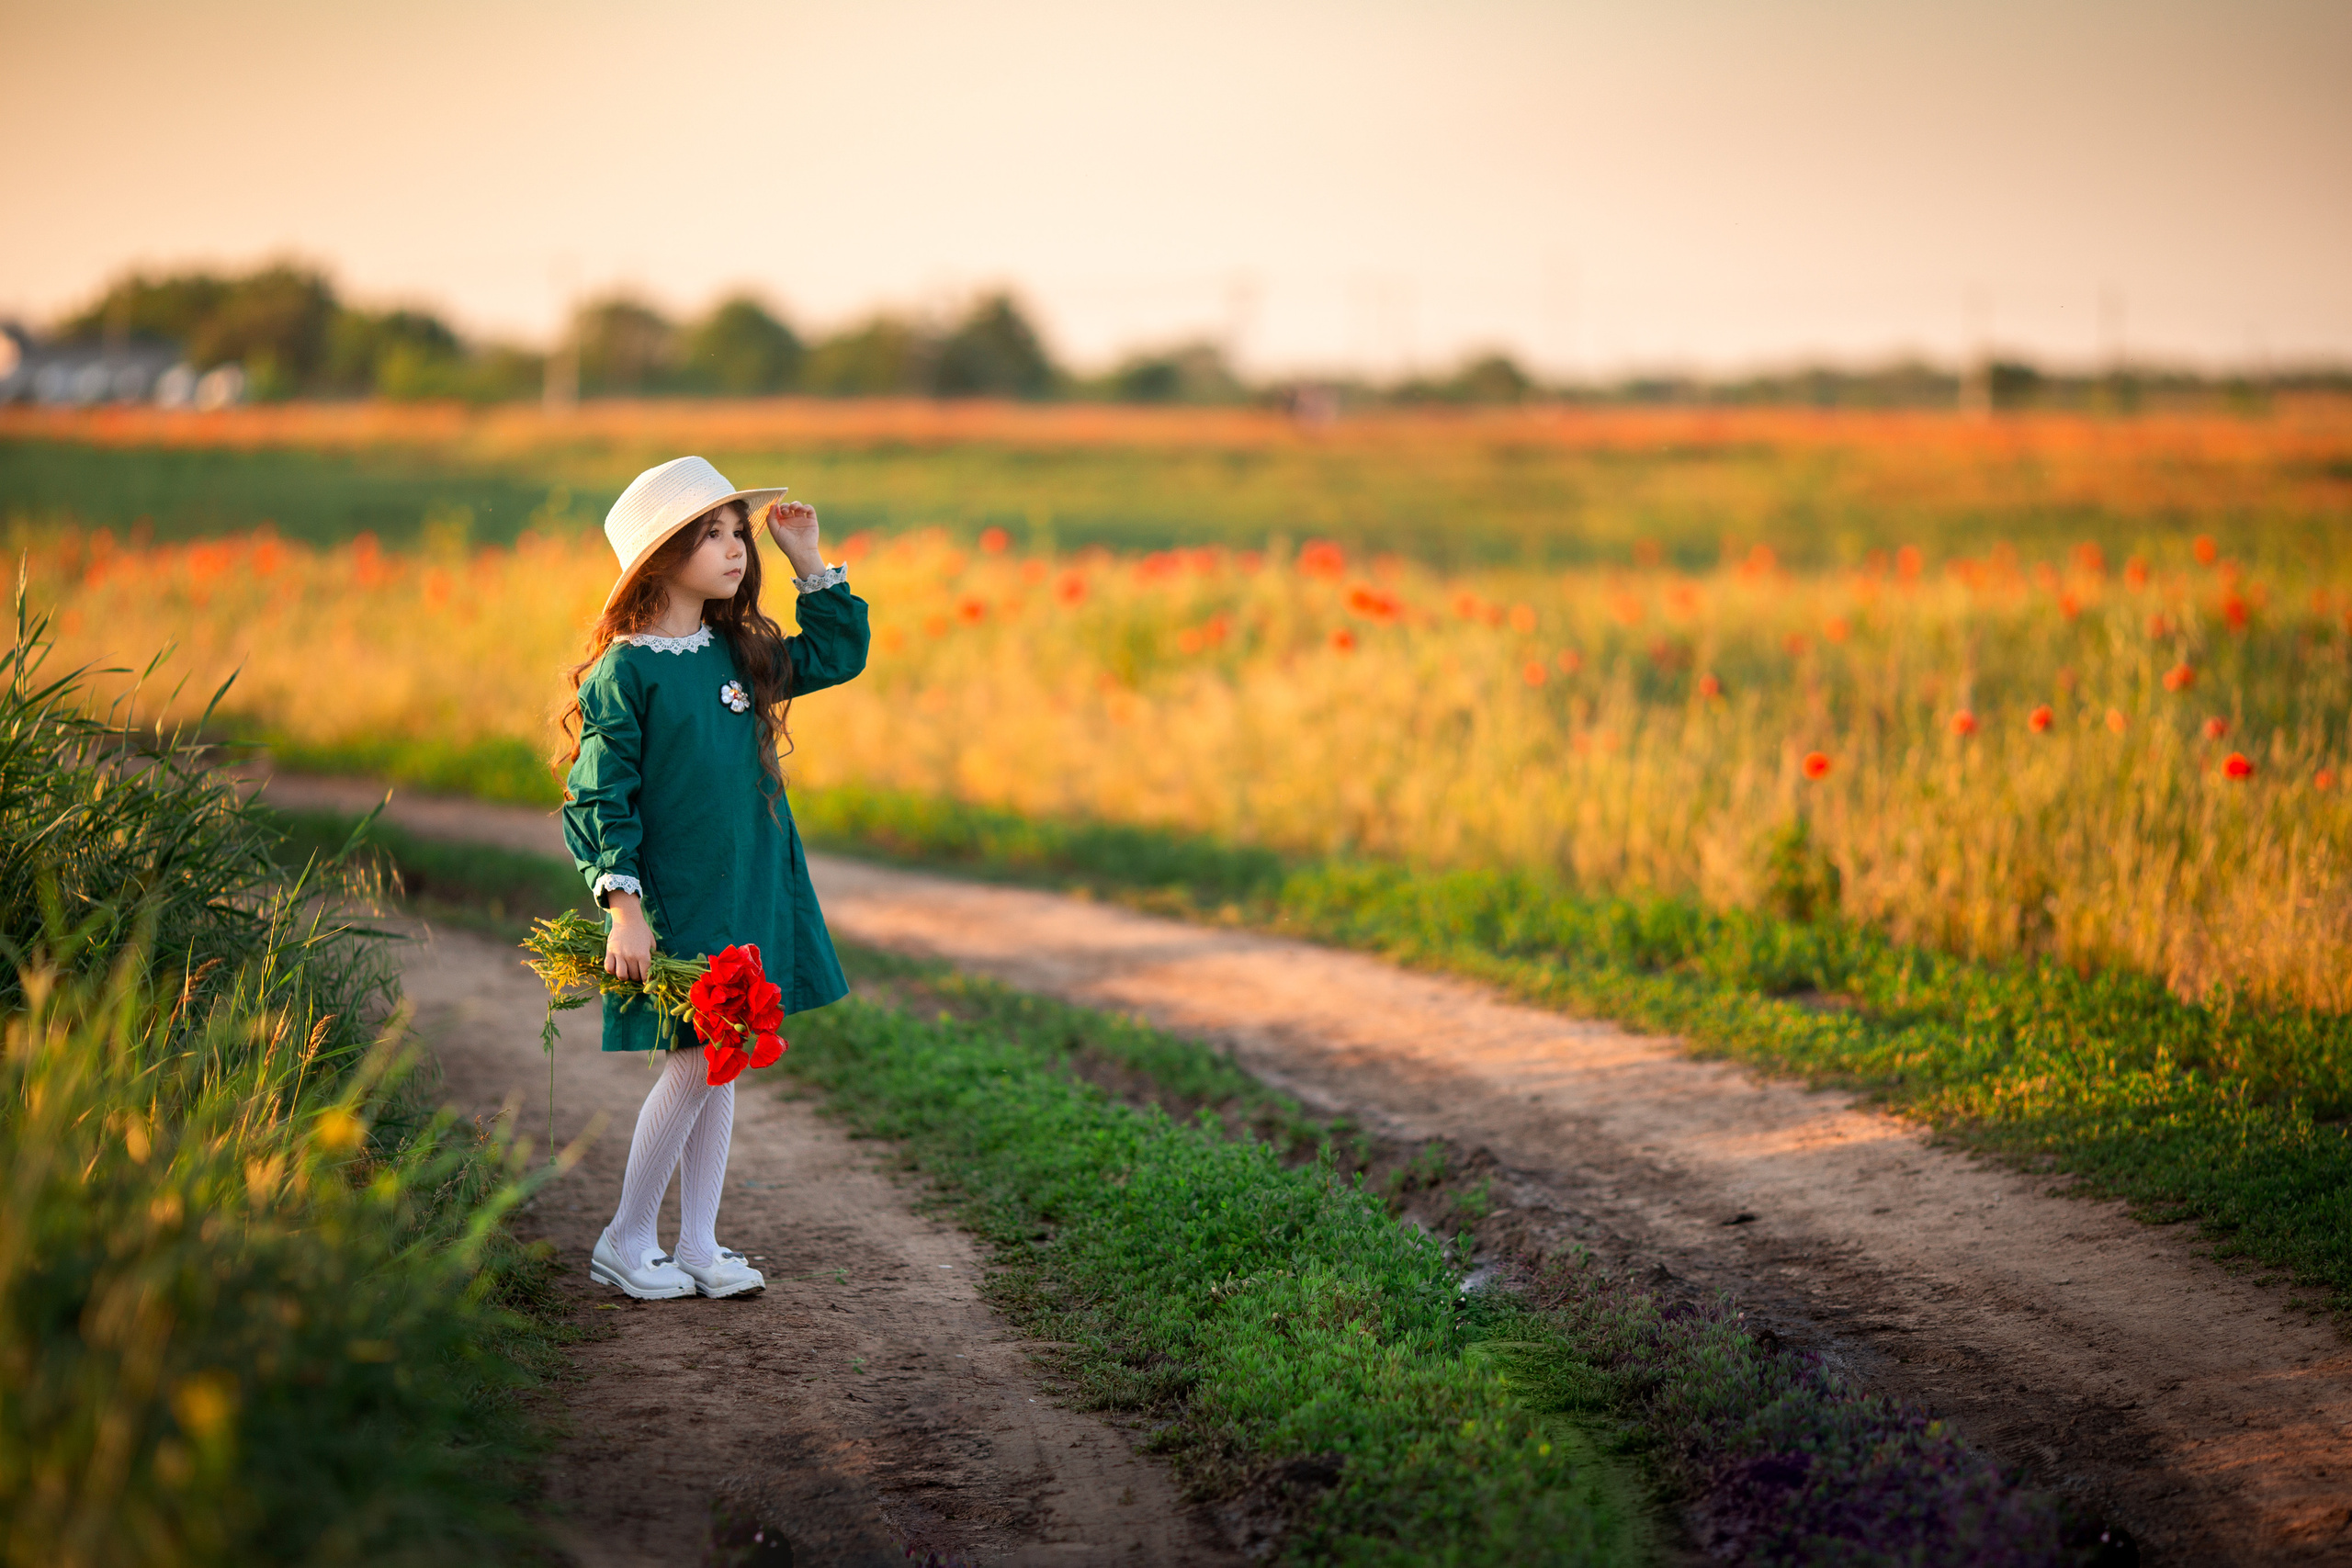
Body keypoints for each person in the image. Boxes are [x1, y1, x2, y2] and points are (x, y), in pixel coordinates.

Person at [556, 456, 869, 1300]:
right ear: (660, 556)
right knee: (696, 1061)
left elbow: (838, 656)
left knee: (722, 1054)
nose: (736, 548)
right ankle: (625, 1237)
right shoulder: (630, 671)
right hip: (678, 893)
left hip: (750, 878)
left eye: (738, 532)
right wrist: (624, 907)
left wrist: (809, 560)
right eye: (713, 533)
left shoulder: (735, 648)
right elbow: (598, 793)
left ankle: (697, 1242)